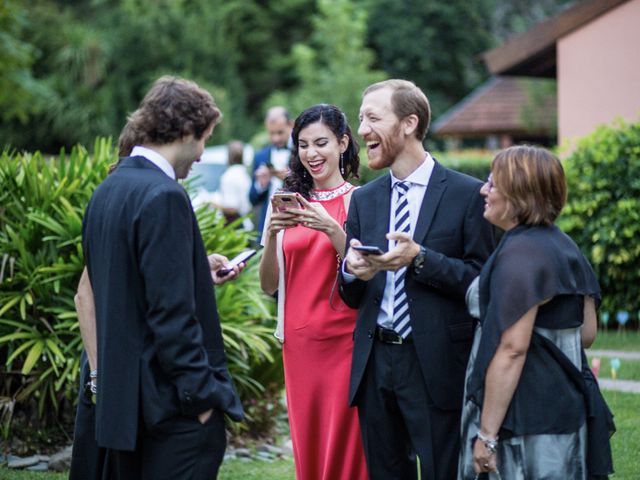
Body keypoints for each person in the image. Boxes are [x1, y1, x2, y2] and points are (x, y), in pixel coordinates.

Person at [81, 76, 243, 479]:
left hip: (128, 409)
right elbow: (171, 316)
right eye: (204, 139)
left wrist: (192, 267)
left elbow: (125, 282)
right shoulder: (165, 195)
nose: (203, 154)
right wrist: (202, 400)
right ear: (186, 131)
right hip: (170, 412)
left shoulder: (109, 188)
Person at [340, 79, 495, 480]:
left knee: (444, 470)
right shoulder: (364, 199)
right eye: (361, 119)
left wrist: (421, 258)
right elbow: (350, 295)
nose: (361, 130)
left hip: (436, 363)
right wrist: (351, 271)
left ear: (409, 123)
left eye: (373, 118)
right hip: (375, 364)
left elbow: (483, 283)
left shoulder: (467, 195)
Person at [458, 145, 615, 479]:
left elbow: (513, 349)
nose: (484, 190)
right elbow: (586, 334)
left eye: (493, 183)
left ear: (519, 194)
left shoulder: (522, 255)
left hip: (522, 419)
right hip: (563, 409)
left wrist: (487, 435)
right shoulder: (562, 245)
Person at [259, 104, 368, 480]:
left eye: (321, 143)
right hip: (300, 342)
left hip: (345, 339)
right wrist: (272, 232)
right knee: (309, 442)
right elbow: (269, 285)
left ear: (342, 143)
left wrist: (332, 230)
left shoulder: (359, 200)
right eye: (303, 145)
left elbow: (363, 270)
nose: (311, 154)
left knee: (347, 442)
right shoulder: (287, 198)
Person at [249, 106, 293, 239]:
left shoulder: (303, 152)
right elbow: (252, 199)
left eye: (280, 132)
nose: (276, 139)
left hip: (295, 227)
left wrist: (290, 179)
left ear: (291, 125)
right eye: (271, 133)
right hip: (267, 228)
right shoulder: (260, 156)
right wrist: (261, 185)